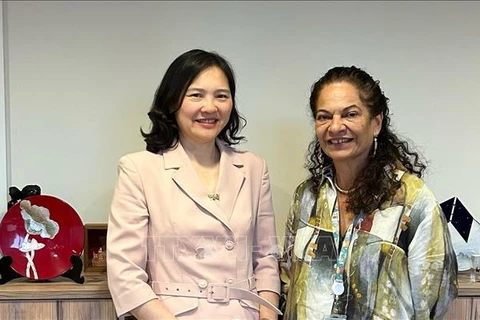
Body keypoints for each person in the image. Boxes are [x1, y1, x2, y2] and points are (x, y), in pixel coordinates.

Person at [107, 49, 281, 320]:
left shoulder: (254, 167)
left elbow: (267, 257)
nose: (210, 107)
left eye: (221, 96)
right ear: (173, 101)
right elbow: (125, 273)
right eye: (196, 94)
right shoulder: (139, 169)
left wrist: (267, 316)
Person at [280, 66, 458, 319]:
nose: (335, 126)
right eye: (324, 116)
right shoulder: (308, 196)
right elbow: (289, 278)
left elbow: (434, 298)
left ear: (376, 123)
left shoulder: (413, 200)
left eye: (350, 114)